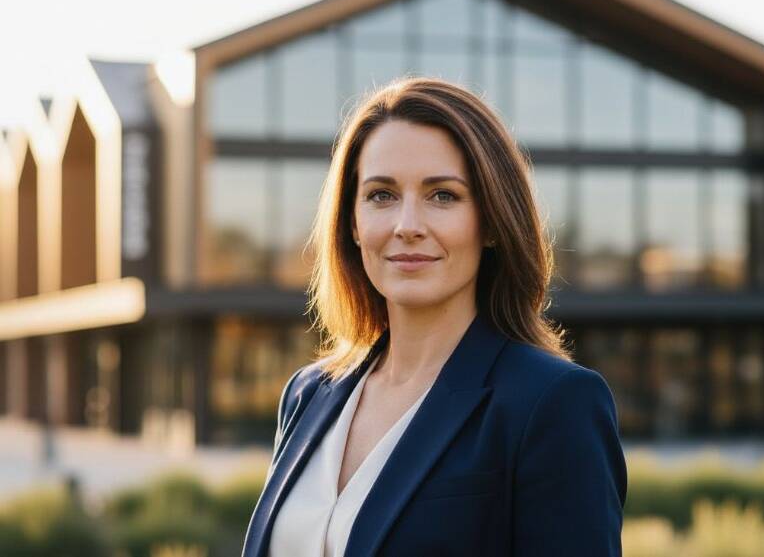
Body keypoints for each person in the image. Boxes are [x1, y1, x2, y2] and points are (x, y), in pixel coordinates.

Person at [241, 77, 627, 557]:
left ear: (491, 222)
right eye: (381, 195)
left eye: (443, 195)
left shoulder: (552, 403)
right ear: (352, 223)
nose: (407, 226)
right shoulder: (308, 393)